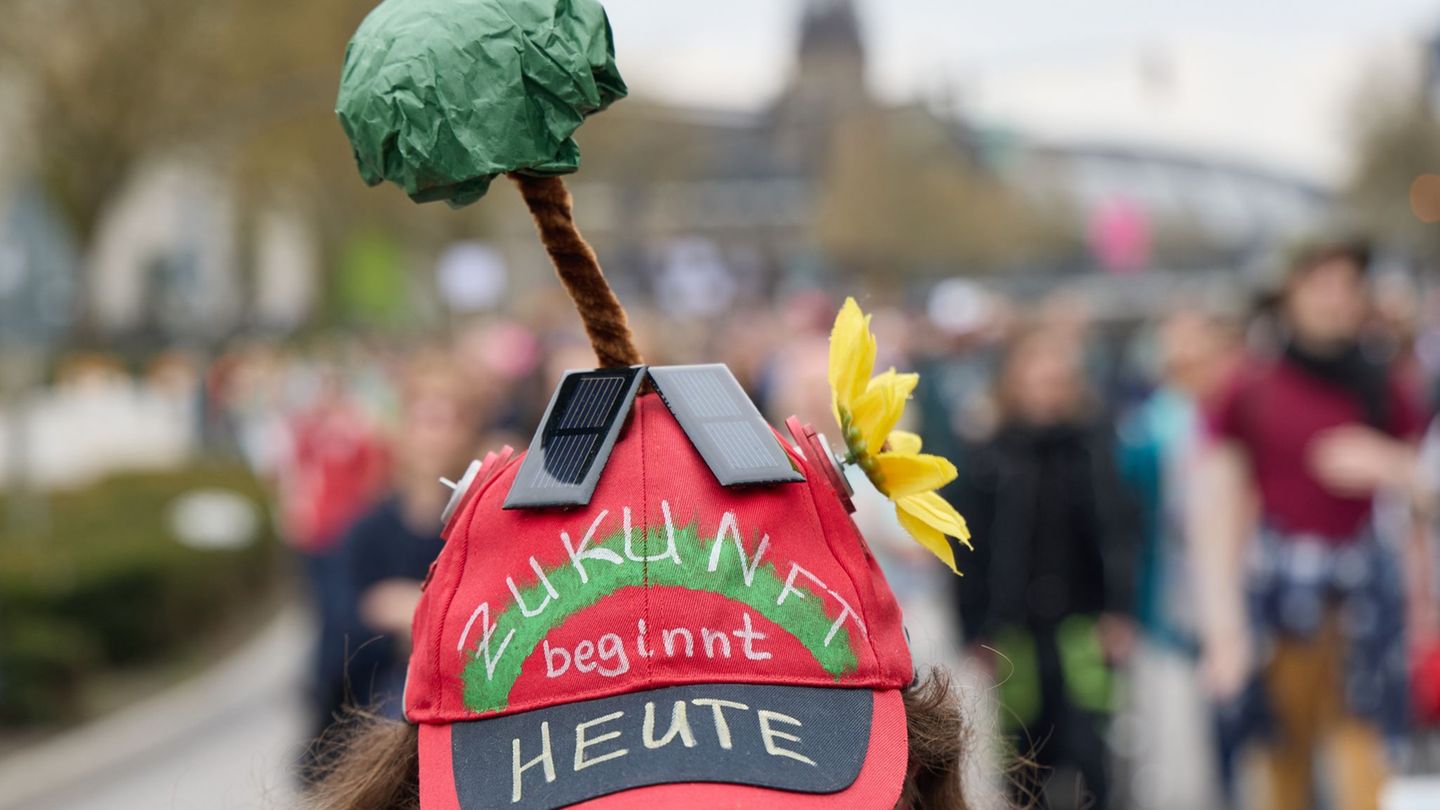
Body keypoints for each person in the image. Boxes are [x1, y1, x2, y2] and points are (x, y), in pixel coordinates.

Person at [1194, 240, 1428, 810]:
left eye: (1348, 286)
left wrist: (1392, 466)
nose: (1335, 300)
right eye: (1321, 284)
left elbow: (1422, 503)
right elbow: (1218, 512)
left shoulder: (1388, 386)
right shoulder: (1248, 388)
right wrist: (1223, 628)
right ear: (1290, 294)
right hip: (1279, 604)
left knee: (1366, 767)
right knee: (1279, 769)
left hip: (1368, 608)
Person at [952, 325, 1139, 809]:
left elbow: (1119, 531)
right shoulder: (990, 455)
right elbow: (966, 547)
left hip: (1082, 627)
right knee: (1023, 759)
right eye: (1037, 376)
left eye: (1058, 377)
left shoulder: (1093, 447)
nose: (1049, 387)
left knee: (1092, 754)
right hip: (1014, 632)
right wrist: (974, 627)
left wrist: (1120, 610)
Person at [334, 352, 486, 722]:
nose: (436, 435)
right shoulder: (367, 531)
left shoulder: (482, 522)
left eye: (450, 420)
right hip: (385, 703)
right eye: (425, 419)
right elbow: (340, 642)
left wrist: (416, 615)